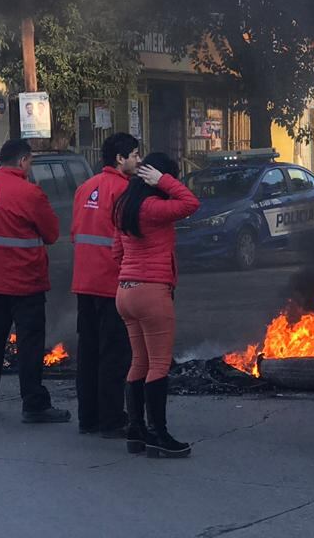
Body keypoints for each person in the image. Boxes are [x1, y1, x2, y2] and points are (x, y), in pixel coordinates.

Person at [0, 139, 70, 423]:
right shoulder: (29, 193)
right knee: (30, 345)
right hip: (26, 282)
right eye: (31, 162)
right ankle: (33, 404)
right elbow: (50, 234)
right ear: (23, 161)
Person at [113, 152, 200, 458]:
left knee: (139, 361)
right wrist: (164, 180)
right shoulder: (153, 207)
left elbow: (116, 252)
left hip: (124, 292)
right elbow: (191, 203)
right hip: (152, 293)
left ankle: (136, 431)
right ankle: (158, 434)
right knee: (159, 365)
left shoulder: (123, 206)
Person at [71, 133, 140, 436]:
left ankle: (88, 418)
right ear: (120, 159)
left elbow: (76, 232)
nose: (139, 160)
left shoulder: (85, 188)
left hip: (84, 284)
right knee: (114, 354)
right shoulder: (125, 190)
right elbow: (132, 240)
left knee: (88, 353)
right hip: (113, 285)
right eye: (135, 155)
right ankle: (112, 419)